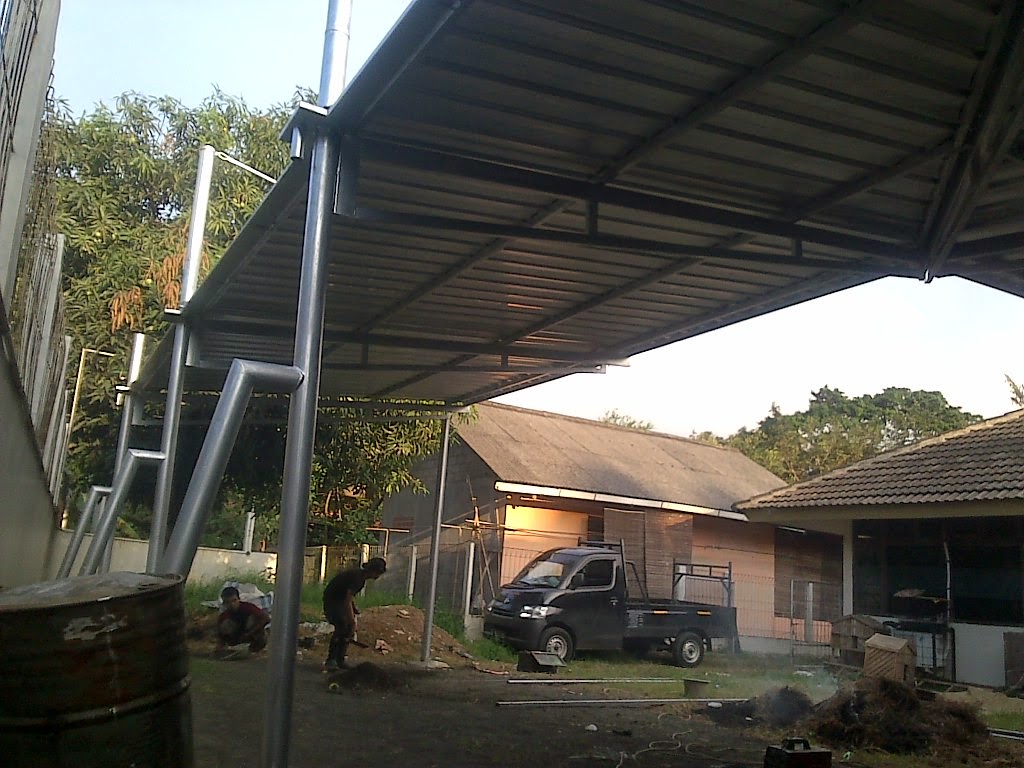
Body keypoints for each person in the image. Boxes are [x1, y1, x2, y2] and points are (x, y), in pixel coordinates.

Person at [322, 557, 387, 670]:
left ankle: (340, 659)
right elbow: (347, 597)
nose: (378, 576)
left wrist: (354, 608)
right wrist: (351, 618)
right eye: (378, 572)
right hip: (333, 601)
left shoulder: (359, 577)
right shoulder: (357, 578)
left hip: (338, 600)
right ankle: (331, 659)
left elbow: (349, 596)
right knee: (343, 625)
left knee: (347, 629)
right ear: (373, 571)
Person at [216, 585, 271, 656]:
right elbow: (221, 636)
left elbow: (266, 618)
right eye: (228, 602)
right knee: (225, 624)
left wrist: (250, 632)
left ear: (239, 599)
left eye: (234, 600)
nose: (231, 604)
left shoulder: (248, 607)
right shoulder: (224, 617)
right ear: (224, 603)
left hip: (253, 636)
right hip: (237, 640)